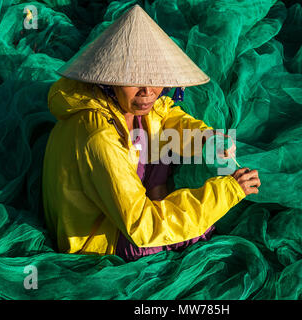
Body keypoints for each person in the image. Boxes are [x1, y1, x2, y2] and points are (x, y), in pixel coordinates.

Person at [42, 5, 260, 261]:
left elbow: (166, 116)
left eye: (154, 78)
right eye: (134, 81)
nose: (147, 92)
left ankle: (156, 193)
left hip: (125, 210)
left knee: (158, 136)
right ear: (107, 81)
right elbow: (143, 227)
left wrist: (206, 139)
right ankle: (162, 204)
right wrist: (227, 191)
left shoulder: (128, 104)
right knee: (193, 231)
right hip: (100, 238)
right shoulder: (98, 137)